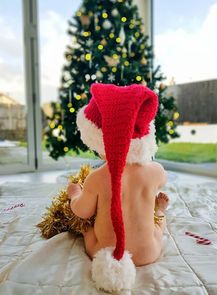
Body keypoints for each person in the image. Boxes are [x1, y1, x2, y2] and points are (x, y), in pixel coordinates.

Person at [67, 83, 169, 293]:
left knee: (87, 232)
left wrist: (75, 194)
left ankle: (89, 236)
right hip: (149, 251)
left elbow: (82, 211)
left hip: (107, 252)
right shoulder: (156, 171)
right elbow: (162, 180)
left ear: (100, 142)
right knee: (158, 228)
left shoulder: (96, 178)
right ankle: (160, 212)